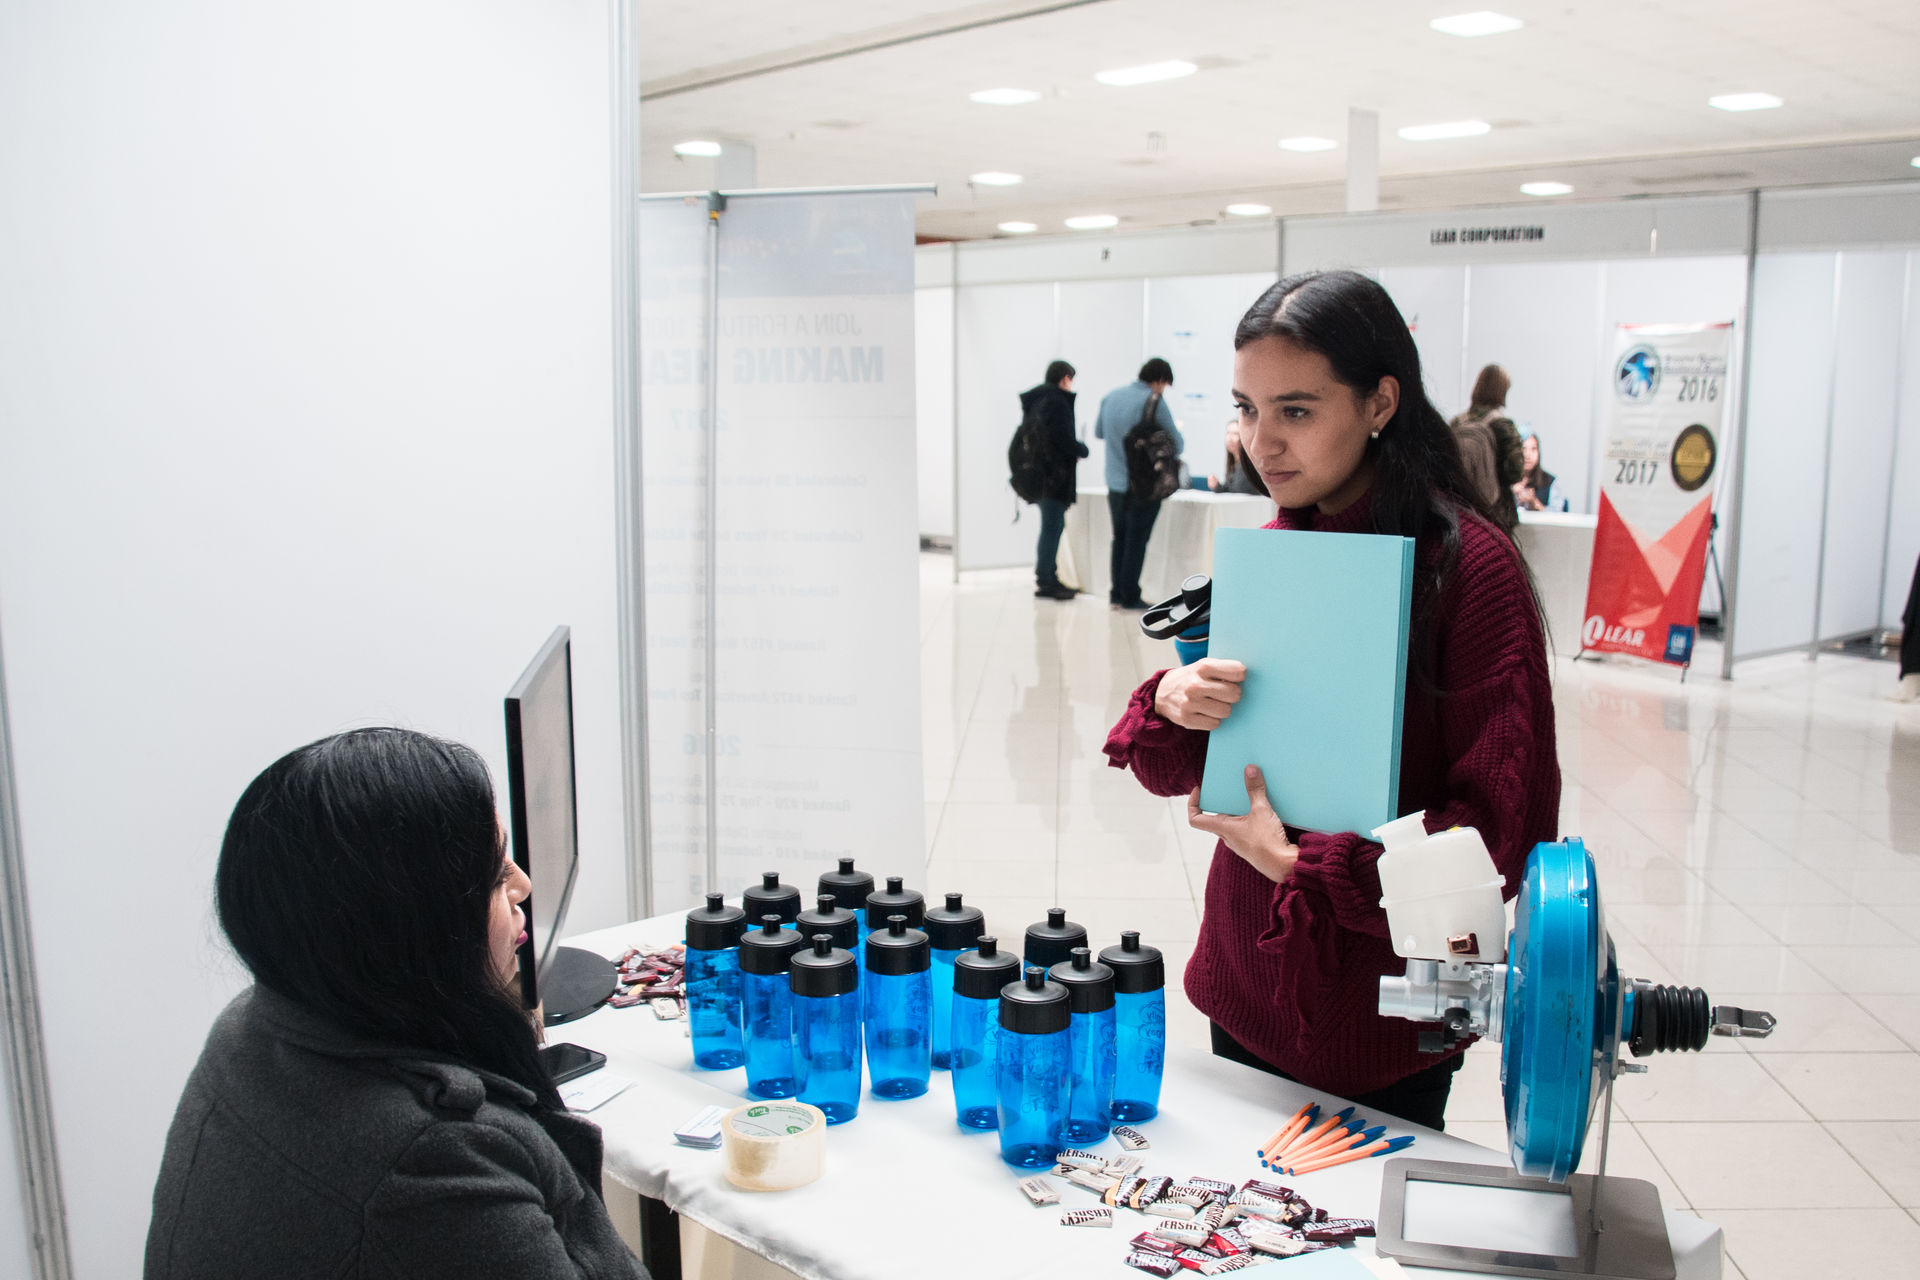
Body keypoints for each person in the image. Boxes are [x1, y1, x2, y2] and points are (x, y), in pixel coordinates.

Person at [1102, 270, 1557, 1131]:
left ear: (1380, 402)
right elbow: (1176, 773)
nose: (1259, 443)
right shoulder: (1275, 550)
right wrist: (1171, 702)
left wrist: (1306, 868)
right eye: (1246, 408)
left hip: (1383, 1026)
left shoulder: (1469, 572)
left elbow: (1496, 840)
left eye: (1296, 411)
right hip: (1240, 993)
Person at [146, 728, 647, 1280]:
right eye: (494, 875)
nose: (523, 885)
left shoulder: (252, 1024)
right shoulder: (436, 1163)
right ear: (415, 926)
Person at [1095, 357, 1185, 609]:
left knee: (1120, 538)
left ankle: (1116, 594)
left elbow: (1099, 432)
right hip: (1144, 485)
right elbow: (1178, 444)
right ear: (1159, 381)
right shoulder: (1154, 401)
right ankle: (1130, 595)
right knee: (1137, 540)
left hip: (1114, 481)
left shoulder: (1110, 397)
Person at [1023, 359, 1088, 600]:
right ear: (1064, 379)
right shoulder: (1057, 402)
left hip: (1038, 477)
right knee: (1053, 527)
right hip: (1054, 479)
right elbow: (1063, 440)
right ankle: (1047, 579)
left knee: (1050, 527)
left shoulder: (1036, 401)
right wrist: (1081, 449)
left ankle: (1046, 576)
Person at [1448, 364, 1524, 534]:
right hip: (1496, 512)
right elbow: (1515, 471)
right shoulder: (1503, 425)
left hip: (1459, 508)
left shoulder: (1457, 423)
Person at [1207, 418, 1269, 496]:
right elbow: (1229, 490)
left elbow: (1238, 491)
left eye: (1235, 434)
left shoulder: (1248, 463)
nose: (1230, 438)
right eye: (1228, 433)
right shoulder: (1234, 463)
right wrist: (1216, 486)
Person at [1514, 432, 1563, 512]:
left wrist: (1534, 503)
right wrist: (1510, 494)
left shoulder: (1549, 482)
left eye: (1533, 449)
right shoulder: (1506, 481)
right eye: (1523, 449)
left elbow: (1558, 517)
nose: (1527, 455)